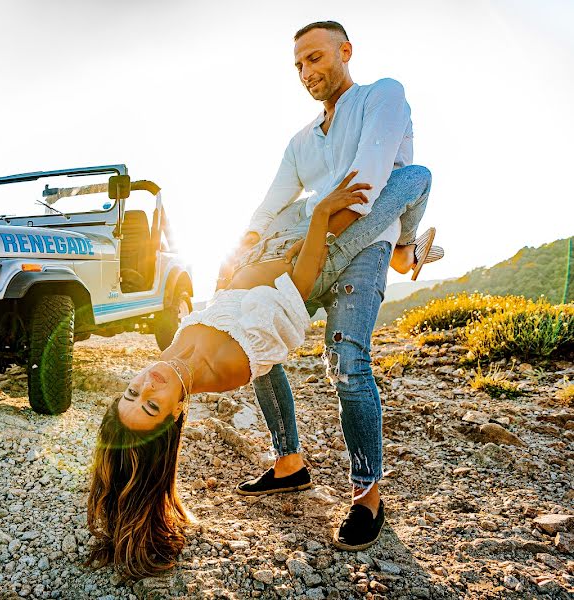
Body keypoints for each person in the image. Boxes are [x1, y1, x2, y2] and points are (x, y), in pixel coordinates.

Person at [86, 158, 436, 578]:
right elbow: (301, 284)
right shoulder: (231, 362)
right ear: (176, 413)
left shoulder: (170, 364)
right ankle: (368, 495)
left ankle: (289, 465)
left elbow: (225, 306)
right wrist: (320, 218)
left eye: (132, 392)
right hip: (324, 251)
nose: (147, 385)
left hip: (275, 251)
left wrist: (232, 267)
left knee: (264, 366)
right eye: (151, 406)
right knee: (416, 179)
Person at [229, 20, 441, 553]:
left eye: (316, 58)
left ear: (345, 51)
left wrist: (317, 240)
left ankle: (367, 493)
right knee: (262, 341)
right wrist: (247, 246)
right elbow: (271, 202)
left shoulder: (381, 96)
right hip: (309, 247)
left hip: (361, 246)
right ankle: (288, 462)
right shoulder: (301, 141)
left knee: (347, 363)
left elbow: (367, 184)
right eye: (298, 65)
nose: (306, 72)